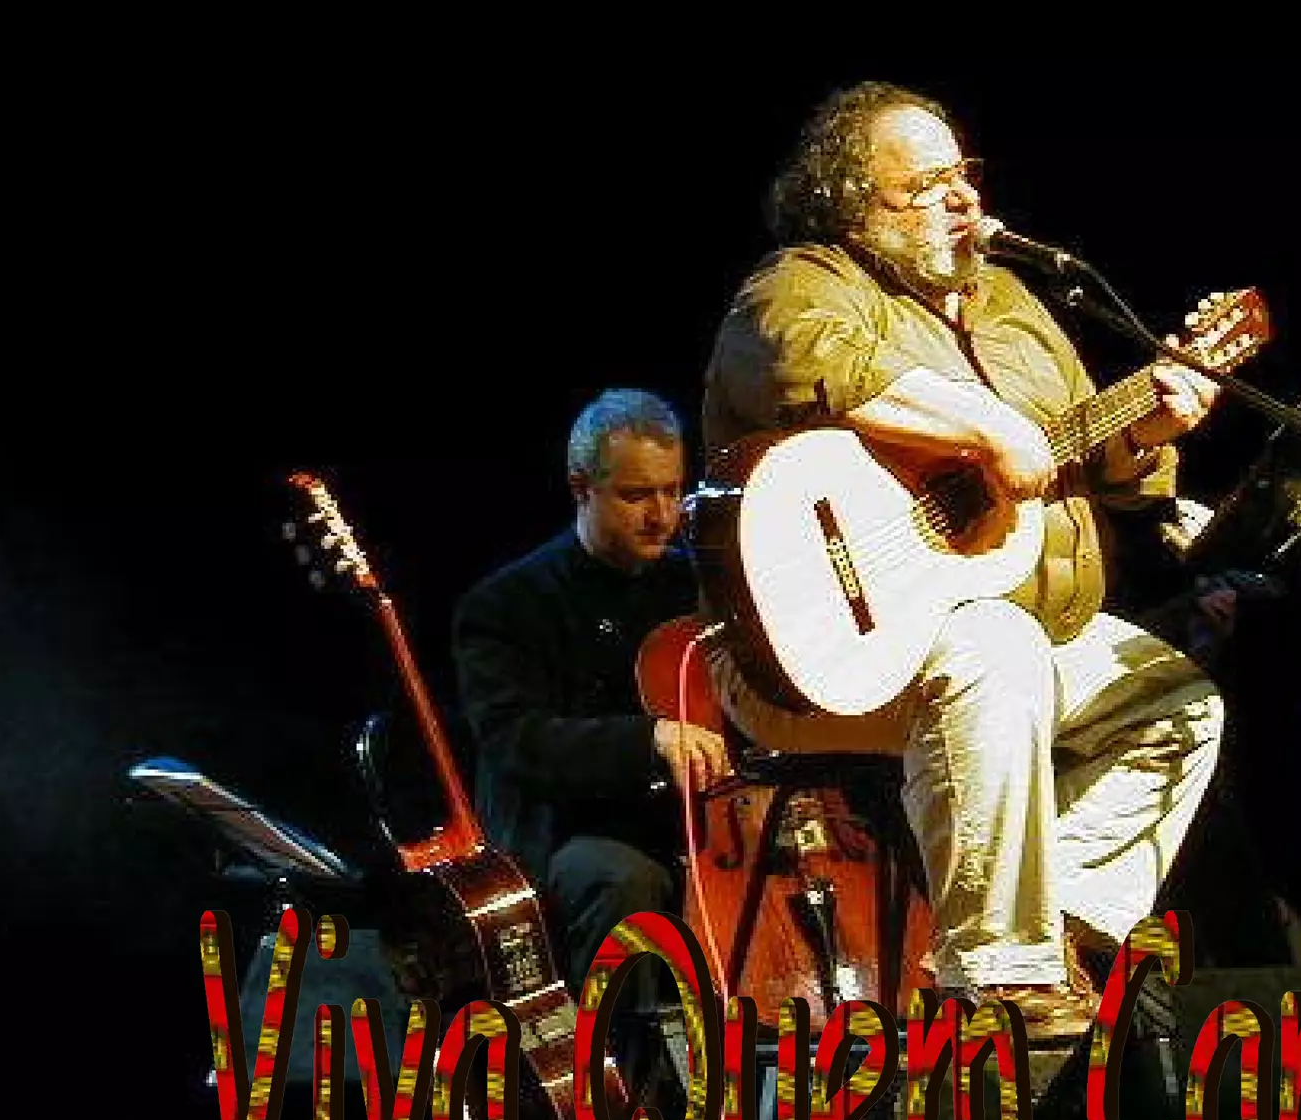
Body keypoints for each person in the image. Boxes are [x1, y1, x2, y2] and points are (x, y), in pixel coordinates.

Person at [700, 81, 1226, 1041]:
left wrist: (1146, 427)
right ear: (851, 202)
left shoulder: (1014, 306)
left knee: (1173, 701)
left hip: (1008, 633)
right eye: (926, 184)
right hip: (810, 654)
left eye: (965, 175)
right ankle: (1000, 975)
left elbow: (1085, 455)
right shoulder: (801, 284)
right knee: (993, 646)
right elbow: (807, 362)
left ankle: (1059, 926)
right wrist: (987, 428)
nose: (963, 198)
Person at [451, 389, 730, 1065]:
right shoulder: (507, 604)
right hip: (569, 832)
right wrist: (648, 738)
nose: (662, 514)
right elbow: (517, 741)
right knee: (622, 881)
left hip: (699, 827)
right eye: (637, 495)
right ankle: (621, 1087)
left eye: (673, 490)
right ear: (582, 488)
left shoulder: (699, 587)